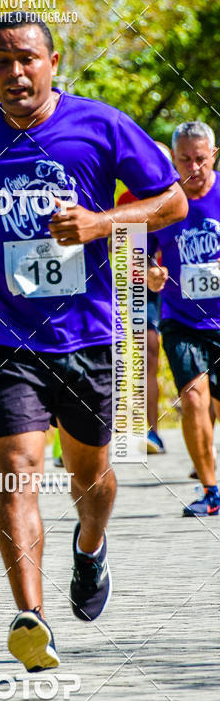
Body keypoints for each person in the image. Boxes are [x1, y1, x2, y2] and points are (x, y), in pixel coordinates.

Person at [0, 12, 187, 672]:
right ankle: (32, 620)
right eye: (0, 62)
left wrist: (102, 222)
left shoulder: (100, 125)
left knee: (90, 477)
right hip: (3, 335)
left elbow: (171, 202)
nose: (15, 72)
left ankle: (90, 545)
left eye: (27, 58)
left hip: (89, 335)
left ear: (53, 63)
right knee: (17, 470)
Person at [148, 120, 220, 517]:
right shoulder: (164, 201)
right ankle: (211, 491)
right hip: (182, 319)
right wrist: (149, 271)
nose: (194, 168)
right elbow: (134, 251)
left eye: (201, 158)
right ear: (173, 160)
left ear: (214, 155)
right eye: (185, 160)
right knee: (193, 398)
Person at [117, 142, 173, 455]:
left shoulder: (179, 197)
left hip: (183, 287)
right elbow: (122, 250)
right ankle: (148, 430)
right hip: (141, 286)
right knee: (146, 353)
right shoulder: (127, 200)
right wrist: (147, 270)